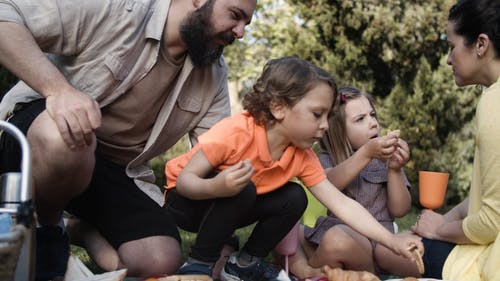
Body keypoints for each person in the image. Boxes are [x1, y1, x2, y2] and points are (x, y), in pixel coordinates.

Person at [0, 0, 257, 279]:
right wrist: (58, 91)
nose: (241, 32)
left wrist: (224, 242)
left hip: (114, 170)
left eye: (246, 23)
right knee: (69, 138)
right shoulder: (116, 9)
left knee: (159, 259)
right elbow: (4, 16)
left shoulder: (214, 76)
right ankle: (48, 234)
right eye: (235, 15)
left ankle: (80, 228)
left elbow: (219, 160)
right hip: (38, 141)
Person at [164, 56, 424, 281]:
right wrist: (217, 186)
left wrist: (392, 242)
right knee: (244, 188)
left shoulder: (301, 154)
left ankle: (243, 265)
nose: (324, 126)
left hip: (233, 203)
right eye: (316, 114)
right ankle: (198, 264)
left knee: (294, 197)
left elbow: (342, 204)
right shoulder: (236, 132)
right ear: (278, 107)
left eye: (328, 117)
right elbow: (186, 181)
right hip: (188, 201)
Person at [373, 0, 500, 280]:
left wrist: (439, 230)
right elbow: (489, 197)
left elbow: (491, 221)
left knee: (385, 249)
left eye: (451, 46)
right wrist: (442, 221)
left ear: (481, 44)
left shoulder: (495, 104)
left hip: (489, 260)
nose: (448, 59)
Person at [284, 86, 412, 279]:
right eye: (360, 119)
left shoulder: (385, 160)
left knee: (337, 238)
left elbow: (400, 210)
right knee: (290, 230)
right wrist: (365, 153)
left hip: (370, 246)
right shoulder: (328, 158)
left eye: (372, 115)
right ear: (339, 131)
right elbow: (330, 184)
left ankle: (309, 272)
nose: (373, 124)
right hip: (329, 235)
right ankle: (315, 269)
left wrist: (394, 170)